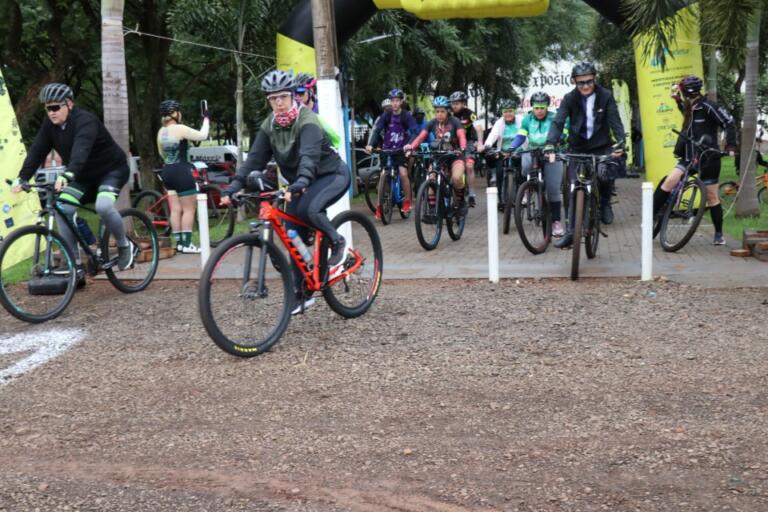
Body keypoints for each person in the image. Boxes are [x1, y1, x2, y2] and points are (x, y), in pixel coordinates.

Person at [222, 70, 350, 315]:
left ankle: (337, 240)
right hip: (299, 184)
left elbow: (309, 158)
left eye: (282, 97)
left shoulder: (307, 120)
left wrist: (300, 182)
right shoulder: (269, 126)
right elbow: (254, 161)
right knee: (292, 231)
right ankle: (303, 293)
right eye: (273, 99)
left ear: (293, 96)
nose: (278, 103)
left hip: (330, 175)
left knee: (309, 210)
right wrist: (233, 186)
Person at [13, 82, 136, 283]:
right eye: (47, 108)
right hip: (83, 177)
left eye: (55, 107)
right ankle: (75, 264)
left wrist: (68, 174)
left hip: (111, 170)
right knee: (63, 210)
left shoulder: (85, 121)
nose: (51, 113)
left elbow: (81, 150)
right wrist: (23, 177)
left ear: (69, 104)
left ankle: (124, 245)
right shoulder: (50, 126)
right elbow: (37, 151)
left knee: (104, 206)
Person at [544, 62, 625, 249]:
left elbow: (615, 122)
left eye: (589, 81)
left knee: (604, 176)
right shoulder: (569, 98)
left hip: (601, 146)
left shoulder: (605, 96)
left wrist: (621, 142)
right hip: (577, 148)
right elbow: (558, 121)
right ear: (574, 82)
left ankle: (605, 204)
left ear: (595, 78)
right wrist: (550, 143)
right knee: (572, 188)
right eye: (581, 83)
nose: (585, 86)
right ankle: (571, 233)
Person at [653, 75, 736, 245]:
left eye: (681, 92)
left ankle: (719, 234)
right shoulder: (690, 106)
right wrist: (677, 101)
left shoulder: (708, 107)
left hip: (708, 158)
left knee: (712, 196)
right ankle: (649, 220)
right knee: (669, 182)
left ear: (686, 92)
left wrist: (731, 147)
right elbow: (685, 110)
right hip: (689, 157)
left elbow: (729, 122)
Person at [488, 92, 567, 236]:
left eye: (542, 107)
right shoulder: (527, 120)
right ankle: (527, 188)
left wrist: (560, 139)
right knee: (525, 164)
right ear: (532, 107)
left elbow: (561, 133)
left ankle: (556, 222)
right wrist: (512, 147)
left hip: (551, 153)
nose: (539, 111)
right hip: (533, 151)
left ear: (547, 107)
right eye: (536, 108)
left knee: (553, 190)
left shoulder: (554, 118)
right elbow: (521, 135)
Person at [156, 99, 210, 253]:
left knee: (175, 210)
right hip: (181, 171)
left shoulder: (161, 132)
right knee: (189, 209)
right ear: (175, 114)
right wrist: (206, 118)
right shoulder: (179, 128)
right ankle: (187, 245)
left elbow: (161, 153)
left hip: (167, 171)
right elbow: (203, 135)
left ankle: (179, 243)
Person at [404, 95, 468, 217]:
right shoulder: (432, 123)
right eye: (437, 111)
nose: (439, 114)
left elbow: (461, 136)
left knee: (456, 178)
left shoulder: (455, 121)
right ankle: (433, 211)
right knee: (430, 180)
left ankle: (460, 202)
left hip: (455, 155)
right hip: (439, 156)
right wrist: (411, 147)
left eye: (442, 111)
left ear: (448, 111)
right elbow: (421, 137)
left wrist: (463, 148)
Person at [366, 88, 419, 218]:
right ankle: (379, 207)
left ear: (401, 102)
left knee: (403, 173)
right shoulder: (386, 115)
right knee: (383, 178)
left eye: (397, 101)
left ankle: (407, 201)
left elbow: (414, 132)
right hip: (386, 149)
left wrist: (409, 145)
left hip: (401, 150)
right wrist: (370, 144)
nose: (394, 103)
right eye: (392, 101)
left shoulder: (406, 115)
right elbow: (377, 130)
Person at [477, 99, 519, 210]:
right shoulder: (499, 122)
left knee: (521, 171)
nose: (508, 114)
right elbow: (493, 135)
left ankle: (521, 195)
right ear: (502, 112)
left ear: (514, 111)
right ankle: (501, 199)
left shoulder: (521, 121)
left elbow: (526, 136)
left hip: (519, 151)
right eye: (505, 111)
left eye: (510, 111)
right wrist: (486, 146)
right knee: (499, 172)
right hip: (503, 152)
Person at [449, 90, 484, 207]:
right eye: (453, 103)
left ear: (463, 103)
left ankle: (472, 195)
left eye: (457, 103)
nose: (454, 106)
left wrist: (479, 143)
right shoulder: (449, 114)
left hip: (469, 142)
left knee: (469, 166)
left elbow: (479, 128)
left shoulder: (470, 113)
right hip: (453, 143)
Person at [295, 73, 341, 149]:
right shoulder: (293, 112)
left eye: (301, 93)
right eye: (295, 93)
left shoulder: (322, 109)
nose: (297, 96)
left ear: (311, 91)